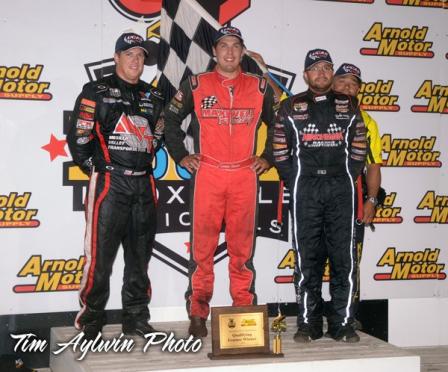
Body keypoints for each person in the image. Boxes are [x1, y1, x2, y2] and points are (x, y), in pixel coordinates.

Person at [164, 26, 277, 337]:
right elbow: (169, 119)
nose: (229, 52)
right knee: (202, 249)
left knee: (242, 251)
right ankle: (198, 312)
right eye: (223, 46)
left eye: (235, 46)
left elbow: (280, 125)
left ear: (242, 52)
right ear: (214, 52)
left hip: (244, 175)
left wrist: (267, 157)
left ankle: (244, 311)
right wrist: (181, 155)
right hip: (209, 175)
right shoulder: (197, 84)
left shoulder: (259, 87)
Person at [67, 31, 164, 340]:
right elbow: (80, 137)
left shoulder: (154, 95)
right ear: (116, 57)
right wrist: (95, 168)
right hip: (110, 183)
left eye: (141, 56)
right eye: (129, 54)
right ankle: (91, 322)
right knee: (99, 258)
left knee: (140, 257)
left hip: (144, 185)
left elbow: (158, 135)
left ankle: (136, 317)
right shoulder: (96, 91)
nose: (136, 60)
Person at [273, 49, 367, 343]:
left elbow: (360, 149)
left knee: (344, 259)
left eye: (327, 68)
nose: (322, 73)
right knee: (307, 259)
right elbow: (279, 151)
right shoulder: (290, 106)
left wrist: (347, 177)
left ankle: (343, 323)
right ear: (305, 75)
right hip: (306, 191)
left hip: (341, 190)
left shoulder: (349, 105)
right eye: (315, 69)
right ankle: (307, 324)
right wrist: (297, 180)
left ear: (332, 74)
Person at [332, 62, 383, 326]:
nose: (348, 87)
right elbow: (281, 98)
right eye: (342, 81)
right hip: (316, 200)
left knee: (350, 259)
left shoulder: (368, 122)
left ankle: (348, 314)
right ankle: (312, 314)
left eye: (354, 84)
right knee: (313, 258)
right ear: (332, 83)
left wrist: (372, 200)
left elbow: (373, 165)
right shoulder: (313, 109)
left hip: (352, 201)